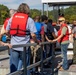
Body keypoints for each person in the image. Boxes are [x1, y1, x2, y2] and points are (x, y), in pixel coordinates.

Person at [3, 3, 38, 75]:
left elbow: (6, 31)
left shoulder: (12, 18)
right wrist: (37, 41)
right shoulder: (29, 20)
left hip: (14, 46)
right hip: (24, 47)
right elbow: (33, 34)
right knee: (26, 66)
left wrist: (11, 36)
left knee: (14, 67)